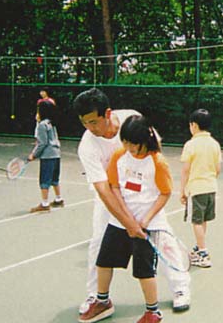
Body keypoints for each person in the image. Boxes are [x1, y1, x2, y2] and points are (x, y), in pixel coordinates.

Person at [73, 88, 191, 317]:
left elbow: (155, 149)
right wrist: (128, 222)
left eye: (94, 122)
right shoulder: (87, 146)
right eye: (85, 123)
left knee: (163, 240)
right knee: (98, 242)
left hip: (145, 195)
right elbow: (104, 189)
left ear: (107, 113)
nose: (90, 128)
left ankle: (180, 288)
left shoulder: (131, 119)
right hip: (112, 195)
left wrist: (146, 197)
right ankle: (97, 298)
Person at [79, 115, 173, 323]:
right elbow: (114, 186)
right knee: (103, 262)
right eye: (125, 142)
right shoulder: (119, 156)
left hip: (147, 226)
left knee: (144, 272)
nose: (129, 148)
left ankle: (153, 312)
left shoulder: (157, 162)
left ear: (145, 141)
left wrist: (145, 221)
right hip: (119, 223)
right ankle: (102, 301)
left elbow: (165, 193)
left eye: (134, 144)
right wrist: (126, 219)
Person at [180, 109, 221, 268]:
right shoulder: (215, 144)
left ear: (194, 125)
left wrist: (183, 190)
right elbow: (217, 169)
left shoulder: (190, 144)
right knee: (203, 219)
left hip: (196, 189)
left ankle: (203, 253)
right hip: (211, 188)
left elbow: (185, 170)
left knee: (196, 221)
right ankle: (199, 247)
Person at [28, 101, 64, 213]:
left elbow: (42, 143)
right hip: (56, 154)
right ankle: (59, 199)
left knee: (44, 180)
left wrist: (33, 154)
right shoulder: (51, 123)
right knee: (54, 179)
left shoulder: (42, 125)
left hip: (48, 156)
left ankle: (44, 204)